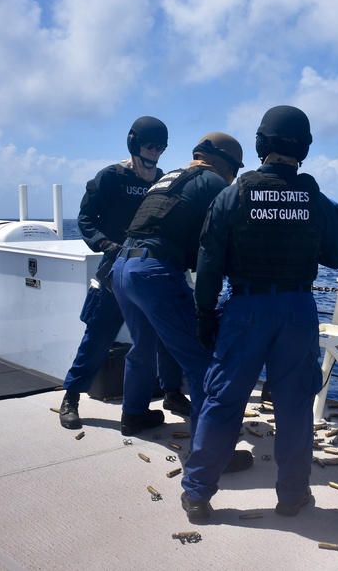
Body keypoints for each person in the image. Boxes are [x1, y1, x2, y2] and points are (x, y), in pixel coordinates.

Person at [180, 106, 338, 522]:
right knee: (294, 405)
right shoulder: (315, 197)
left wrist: (205, 313)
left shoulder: (232, 194)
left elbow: (209, 261)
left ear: (261, 145)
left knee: (223, 400)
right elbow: (335, 256)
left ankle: (198, 494)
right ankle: (293, 496)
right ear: (304, 148)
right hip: (297, 309)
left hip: (245, 309)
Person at [111, 131, 251, 461]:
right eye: (235, 172)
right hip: (154, 273)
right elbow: (225, 240)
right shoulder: (215, 183)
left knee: (142, 346)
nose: (234, 179)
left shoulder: (172, 176)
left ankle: (134, 415)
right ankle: (212, 453)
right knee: (203, 363)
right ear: (224, 165)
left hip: (122, 268)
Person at [57, 116, 189, 429]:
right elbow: (86, 218)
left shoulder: (166, 181)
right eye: (150, 144)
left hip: (152, 270)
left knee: (167, 335)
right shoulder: (111, 177)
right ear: (134, 143)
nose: (155, 151)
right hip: (115, 267)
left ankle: (172, 392)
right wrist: (106, 244)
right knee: (99, 335)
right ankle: (71, 396)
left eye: (161, 146)